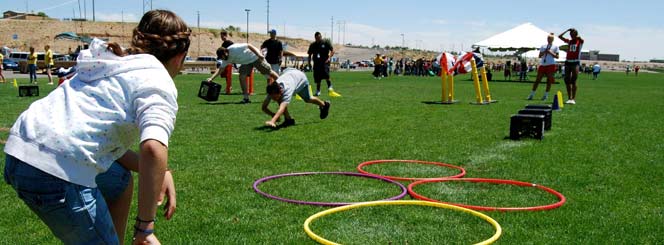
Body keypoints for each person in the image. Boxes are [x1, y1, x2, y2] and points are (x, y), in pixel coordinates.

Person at [3, 9, 190, 244]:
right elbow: (153, 148)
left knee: (120, 181)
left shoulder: (113, 63)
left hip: (19, 150)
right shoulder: (158, 80)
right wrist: (145, 228)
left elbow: (102, 143)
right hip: (54, 168)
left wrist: (163, 171)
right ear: (180, 57)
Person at [208, 43, 279, 104]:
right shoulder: (226, 59)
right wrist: (211, 78)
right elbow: (220, 69)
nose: (222, 59)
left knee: (270, 72)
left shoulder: (234, 48)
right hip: (246, 63)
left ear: (225, 53)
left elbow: (249, 45)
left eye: (221, 57)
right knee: (242, 77)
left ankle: (283, 84)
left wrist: (259, 54)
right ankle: (246, 98)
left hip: (254, 57)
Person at [262, 68, 330, 128]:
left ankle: (325, 105)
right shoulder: (272, 90)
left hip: (301, 78)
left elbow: (282, 108)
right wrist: (272, 114)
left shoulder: (287, 90)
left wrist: (272, 121)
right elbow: (264, 107)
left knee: (308, 99)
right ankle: (289, 120)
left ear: (280, 91)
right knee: (280, 100)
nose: (274, 99)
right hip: (290, 73)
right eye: (272, 98)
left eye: (275, 97)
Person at [308, 32, 341, 97]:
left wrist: (329, 58)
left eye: (319, 37)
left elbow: (332, 50)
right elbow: (309, 54)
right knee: (317, 78)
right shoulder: (313, 45)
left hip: (325, 62)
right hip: (316, 63)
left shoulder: (325, 43)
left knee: (326, 75)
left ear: (321, 37)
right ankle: (318, 91)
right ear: (315, 38)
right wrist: (309, 63)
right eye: (317, 38)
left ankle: (330, 87)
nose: (318, 39)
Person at [527, 33, 559, 101]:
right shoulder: (543, 46)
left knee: (549, 80)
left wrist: (550, 52)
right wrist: (544, 51)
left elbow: (557, 56)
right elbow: (539, 55)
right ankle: (532, 94)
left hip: (551, 64)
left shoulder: (555, 47)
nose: (549, 40)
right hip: (543, 64)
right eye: (548, 38)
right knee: (537, 80)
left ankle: (545, 95)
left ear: (552, 39)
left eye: (550, 39)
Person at [559, 28, 584, 104]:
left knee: (573, 80)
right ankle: (569, 98)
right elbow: (560, 36)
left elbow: (581, 38)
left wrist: (575, 32)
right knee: (567, 80)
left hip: (575, 62)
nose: (572, 36)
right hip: (568, 62)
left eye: (573, 35)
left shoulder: (579, 41)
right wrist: (567, 30)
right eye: (571, 35)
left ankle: (573, 98)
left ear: (576, 34)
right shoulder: (569, 41)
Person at [208, 30, 235, 94]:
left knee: (228, 75)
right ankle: (228, 87)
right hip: (225, 60)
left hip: (229, 60)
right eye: (221, 36)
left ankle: (229, 87)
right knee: (226, 75)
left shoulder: (229, 42)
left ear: (226, 36)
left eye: (223, 36)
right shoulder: (223, 44)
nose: (222, 38)